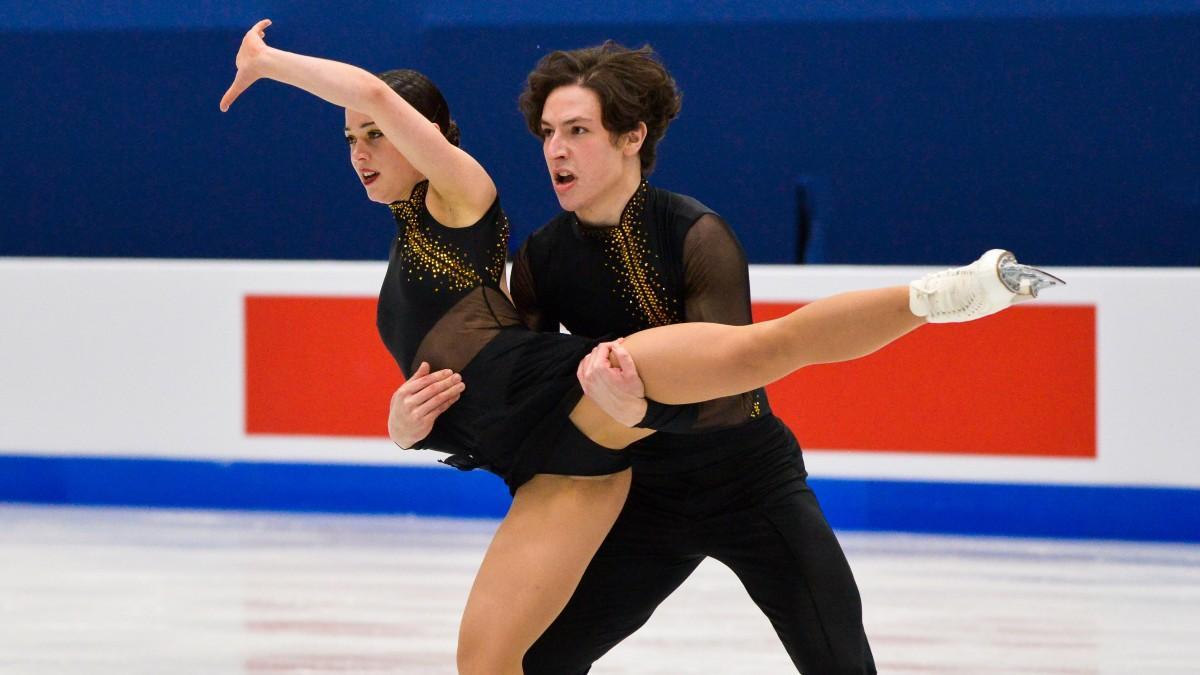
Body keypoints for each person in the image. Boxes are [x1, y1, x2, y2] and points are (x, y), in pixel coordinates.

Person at [220, 21, 1060, 675]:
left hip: (728, 465)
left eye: (577, 130)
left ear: (631, 136)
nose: (555, 149)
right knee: (510, 659)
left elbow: (727, 369)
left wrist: (268, 60)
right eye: (548, 131)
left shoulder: (647, 224)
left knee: (759, 362)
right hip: (602, 462)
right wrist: (414, 430)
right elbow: (506, 381)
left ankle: (946, 293)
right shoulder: (530, 253)